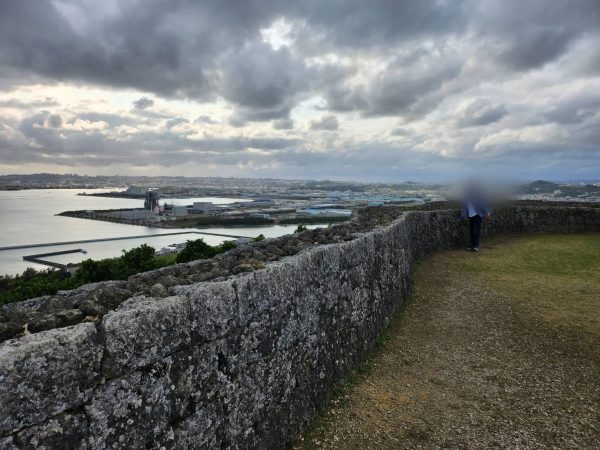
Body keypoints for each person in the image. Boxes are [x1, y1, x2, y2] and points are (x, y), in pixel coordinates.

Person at [461, 186, 491, 252]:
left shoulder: (476, 197)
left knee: (475, 231)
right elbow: (465, 207)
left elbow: (482, 204)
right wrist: (465, 215)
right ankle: (472, 245)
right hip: (471, 215)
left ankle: (475, 246)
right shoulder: (467, 198)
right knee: (471, 231)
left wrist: (487, 212)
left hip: (477, 215)